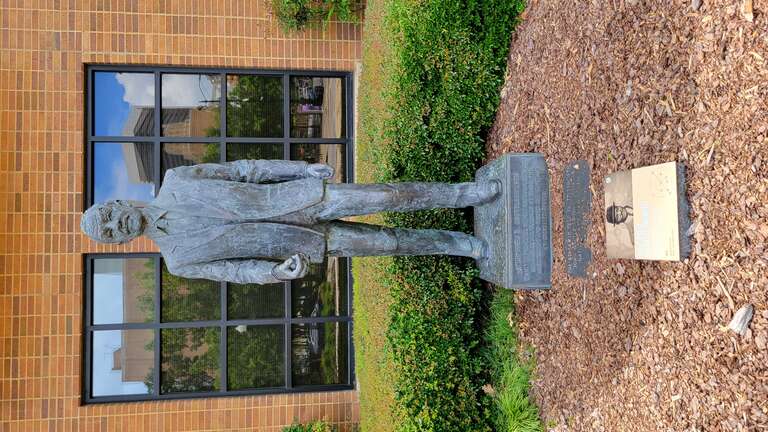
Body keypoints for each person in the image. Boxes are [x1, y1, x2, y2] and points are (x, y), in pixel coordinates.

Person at [80, 159, 499, 284]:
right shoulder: (178, 262)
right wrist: (276, 273)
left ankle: (468, 192)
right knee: (388, 243)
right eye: (115, 234)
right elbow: (238, 272)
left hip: (299, 195)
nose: (121, 226)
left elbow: (245, 170)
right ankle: (460, 244)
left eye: (113, 218)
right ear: (120, 244)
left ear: (118, 202)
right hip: (294, 244)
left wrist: (299, 168)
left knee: (388, 196)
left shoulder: (178, 179)